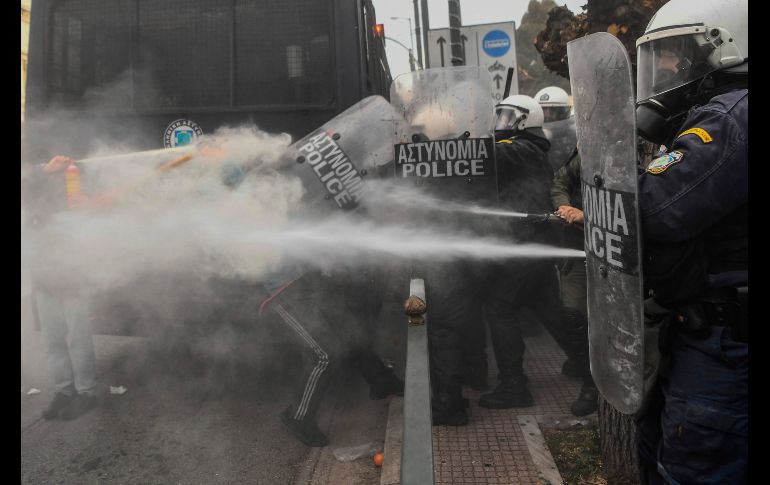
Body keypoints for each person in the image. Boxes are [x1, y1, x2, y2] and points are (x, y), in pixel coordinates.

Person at [631, 0, 748, 482]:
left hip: (726, 342)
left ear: (727, 47)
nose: (663, 67)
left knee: (694, 469)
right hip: (710, 326)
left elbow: (656, 205)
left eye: (678, 54)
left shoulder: (731, 117)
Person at [22, 155, 98, 421]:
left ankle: (86, 393)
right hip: (45, 283)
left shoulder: (70, 206)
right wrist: (44, 168)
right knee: (53, 342)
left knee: (78, 339)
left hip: (72, 282)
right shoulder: (31, 209)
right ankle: (64, 392)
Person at [550, 151, 598, 416]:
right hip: (577, 249)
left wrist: (588, 215)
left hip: (620, 255)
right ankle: (590, 382)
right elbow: (561, 181)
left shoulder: (640, 148)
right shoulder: (589, 149)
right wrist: (564, 206)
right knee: (573, 315)